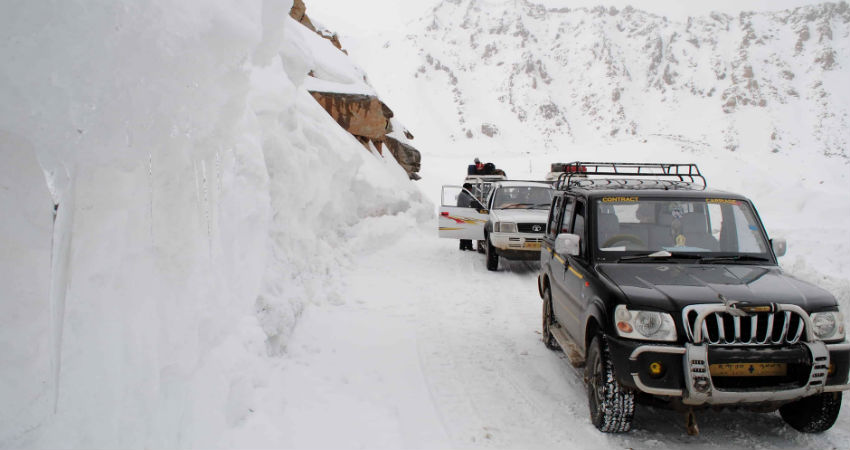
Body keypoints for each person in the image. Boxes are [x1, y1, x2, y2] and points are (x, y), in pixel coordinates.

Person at [457, 183, 482, 251]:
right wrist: (478, 202)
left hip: (465, 214)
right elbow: (471, 202)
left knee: (467, 231)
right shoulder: (463, 195)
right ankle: (465, 246)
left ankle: (466, 246)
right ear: (467, 188)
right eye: (470, 188)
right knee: (466, 231)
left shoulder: (465, 194)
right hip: (464, 215)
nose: (471, 190)